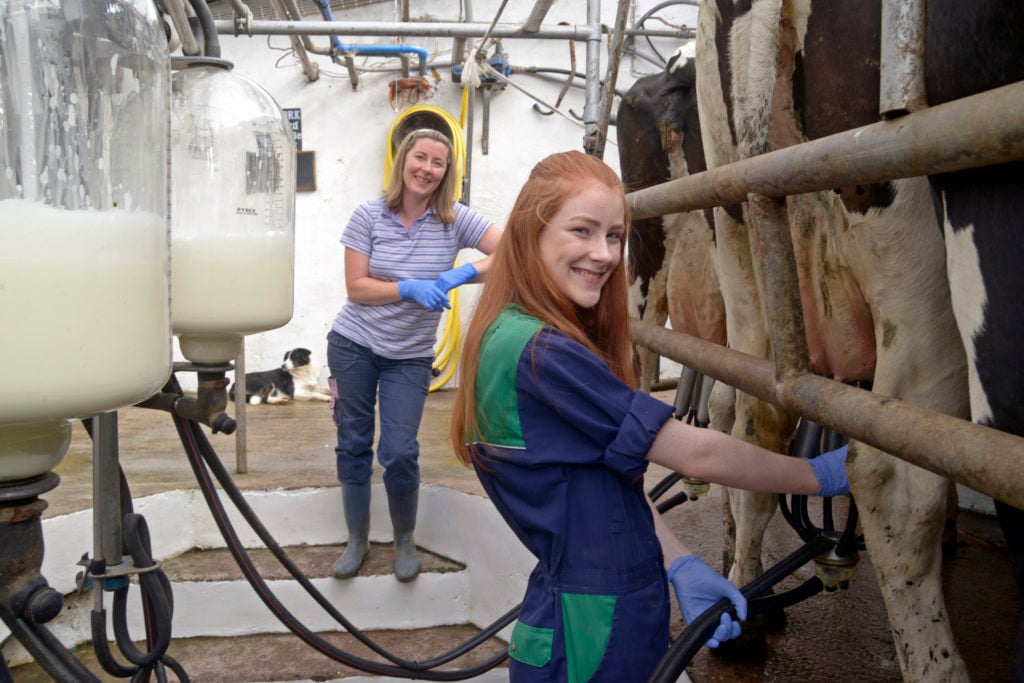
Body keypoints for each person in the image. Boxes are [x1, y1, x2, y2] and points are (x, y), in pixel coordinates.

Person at [450, 151, 850, 681]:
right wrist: (821, 476)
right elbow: (695, 451)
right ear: (531, 233)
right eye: (582, 230)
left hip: (589, 614)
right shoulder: (545, 353)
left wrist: (678, 561)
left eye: (614, 235)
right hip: (597, 632)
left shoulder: (511, 333)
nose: (604, 253)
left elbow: (603, 487)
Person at [328, 128, 501, 582]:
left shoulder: (455, 219)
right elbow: (356, 287)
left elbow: (513, 251)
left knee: (400, 451)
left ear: (447, 172)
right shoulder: (368, 215)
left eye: (437, 163)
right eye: (419, 157)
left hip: (409, 357)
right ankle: (358, 540)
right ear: (403, 161)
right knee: (353, 440)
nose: (426, 168)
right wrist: (407, 288)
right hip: (354, 346)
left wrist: (463, 271)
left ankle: (404, 541)